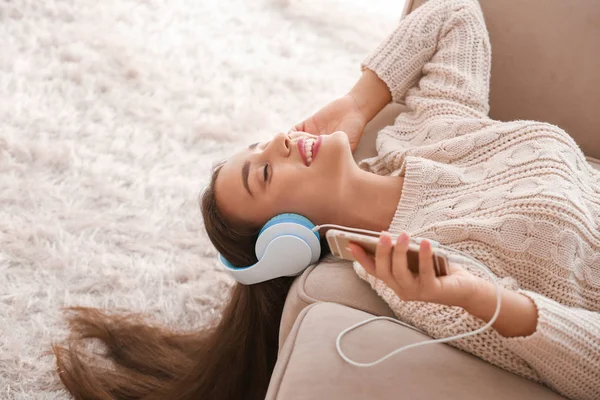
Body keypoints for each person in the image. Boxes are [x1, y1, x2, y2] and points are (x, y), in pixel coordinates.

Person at [53, 0, 600, 399]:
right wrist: (478, 299)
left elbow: (454, 13)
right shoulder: (416, 274)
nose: (282, 139)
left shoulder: (426, 133)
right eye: (264, 171)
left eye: (263, 143)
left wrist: (358, 101)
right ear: (289, 238)